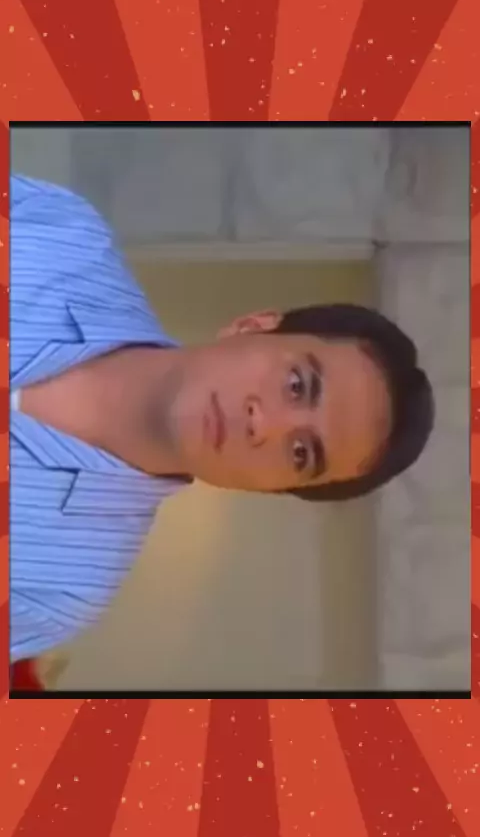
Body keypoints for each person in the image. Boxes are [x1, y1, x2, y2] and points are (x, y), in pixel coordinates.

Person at [10, 175, 434, 666]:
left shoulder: (61, 590)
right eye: (296, 384)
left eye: (301, 453)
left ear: (269, 488)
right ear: (253, 326)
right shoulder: (60, 234)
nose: (265, 425)